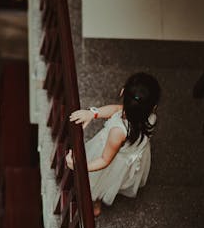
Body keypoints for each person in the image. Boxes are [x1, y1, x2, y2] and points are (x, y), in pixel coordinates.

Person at [65, 72, 161, 217]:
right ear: (153, 107)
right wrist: (93, 113)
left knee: (99, 183)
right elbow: (117, 109)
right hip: (129, 157)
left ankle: (95, 203)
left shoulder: (118, 131)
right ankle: (97, 199)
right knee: (110, 183)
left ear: (122, 91)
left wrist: (80, 166)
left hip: (112, 160)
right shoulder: (150, 117)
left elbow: (104, 160)